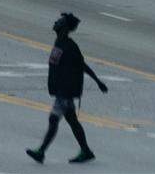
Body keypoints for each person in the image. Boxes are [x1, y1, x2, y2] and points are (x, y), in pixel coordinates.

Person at [26, 13, 108, 165]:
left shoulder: (69, 46)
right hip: (62, 89)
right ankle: (86, 151)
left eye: (59, 21)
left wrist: (98, 81)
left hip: (65, 90)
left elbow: (82, 65)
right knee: (72, 121)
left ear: (64, 27)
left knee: (54, 119)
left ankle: (41, 152)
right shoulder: (60, 41)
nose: (56, 22)